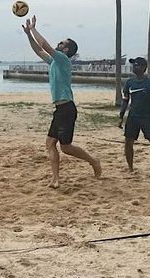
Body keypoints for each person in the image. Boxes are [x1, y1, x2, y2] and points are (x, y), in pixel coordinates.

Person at [22, 15, 101, 188]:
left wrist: (33, 29)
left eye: (62, 43)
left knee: (66, 147)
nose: (59, 43)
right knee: (50, 143)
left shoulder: (63, 59)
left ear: (66, 50)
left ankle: (93, 161)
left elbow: (44, 45)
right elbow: (38, 50)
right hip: (59, 110)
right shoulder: (54, 61)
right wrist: (28, 34)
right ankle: (55, 179)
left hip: (67, 109)